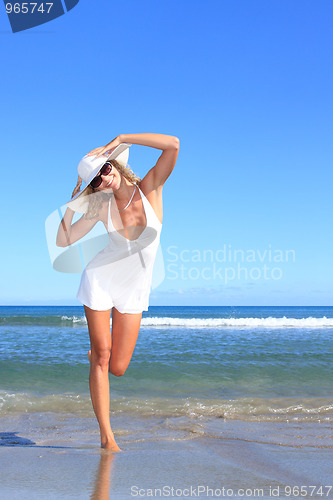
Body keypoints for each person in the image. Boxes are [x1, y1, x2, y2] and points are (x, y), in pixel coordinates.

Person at [56, 133, 180, 450]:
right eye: (95, 179)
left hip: (133, 288)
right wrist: (73, 204)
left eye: (104, 169)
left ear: (114, 164)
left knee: (118, 368)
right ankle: (107, 436)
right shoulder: (100, 207)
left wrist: (122, 138)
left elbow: (173, 145)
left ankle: (97, 357)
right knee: (102, 357)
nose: (102, 177)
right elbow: (63, 240)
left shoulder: (150, 189)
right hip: (100, 279)